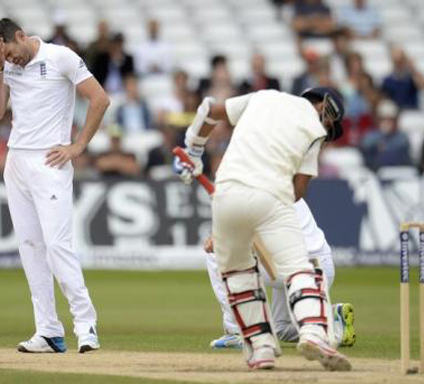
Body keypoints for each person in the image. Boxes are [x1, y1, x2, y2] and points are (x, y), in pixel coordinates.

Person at [173, 87, 350, 370]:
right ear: (320, 106)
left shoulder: (264, 97)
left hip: (228, 192)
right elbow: (298, 190)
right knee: (298, 269)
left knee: (237, 272)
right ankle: (317, 332)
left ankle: (260, 347)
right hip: (274, 199)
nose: (327, 127)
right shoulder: (312, 131)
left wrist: (193, 149)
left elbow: (209, 110)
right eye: (328, 121)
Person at [0, 18, 110, 354]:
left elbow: (100, 99)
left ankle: (86, 326)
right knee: (30, 247)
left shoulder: (60, 56)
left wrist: (78, 145)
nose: (12, 61)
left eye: (11, 53)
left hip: (50, 159)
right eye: (5, 58)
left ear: (22, 36)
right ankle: (49, 331)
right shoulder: (5, 67)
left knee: (57, 245)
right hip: (16, 161)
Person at [205, 198, 356, 351]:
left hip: (292, 268)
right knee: (281, 328)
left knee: (217, 253)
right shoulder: (282, 183)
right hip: (321, 267)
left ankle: (237, 331)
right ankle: (334, 322)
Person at [360, 100, 411, 171]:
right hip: (376, 171)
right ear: (378, 120)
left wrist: (385, 143)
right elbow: (365, 149)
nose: (387, 122)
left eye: (390, 119)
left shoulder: (402, 137)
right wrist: (382, 136)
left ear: (395, 121)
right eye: (384, 119)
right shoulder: (370, 136)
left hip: (398, 170)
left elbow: (402, 156)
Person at [381, 46, 424, 110]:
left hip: (411, 111)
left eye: (401, 60)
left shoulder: (412, 77)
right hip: (395, 113)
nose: (398, 63)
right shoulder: (388, 80)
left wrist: (412, 69)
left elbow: (423, 86)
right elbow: (384, 98)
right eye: (396, 61)